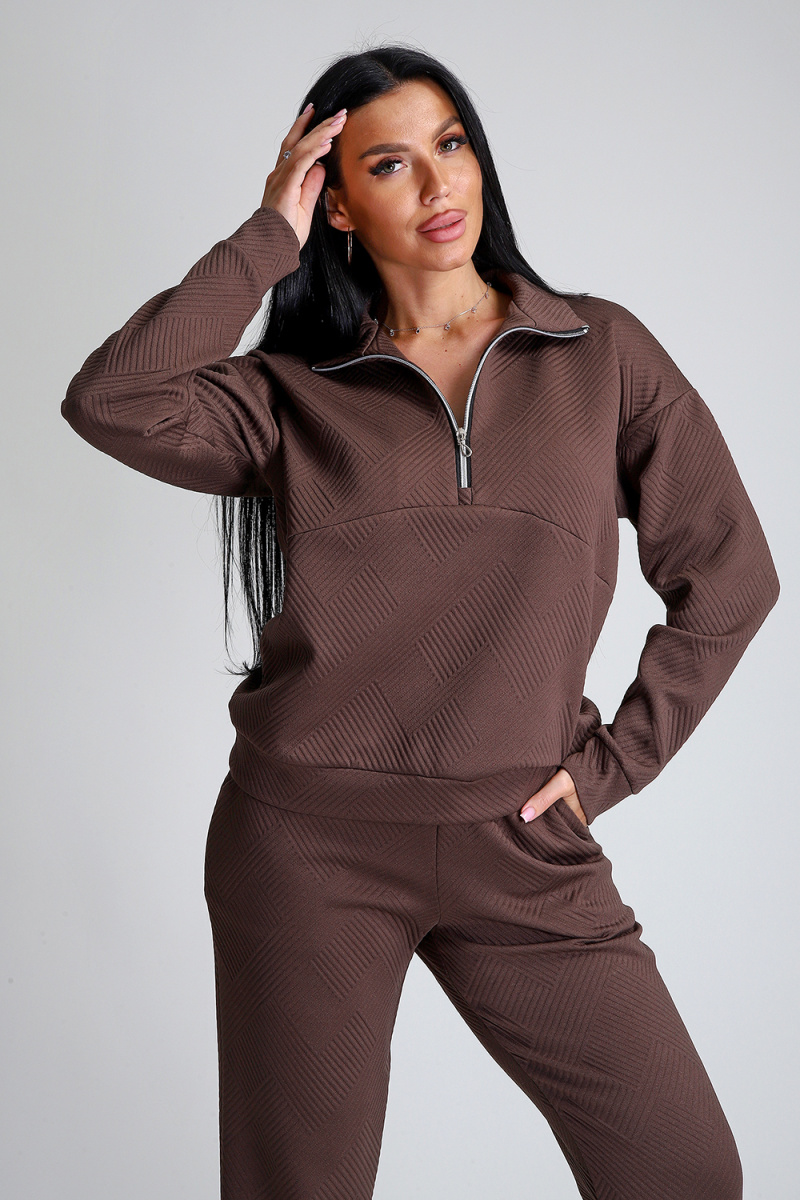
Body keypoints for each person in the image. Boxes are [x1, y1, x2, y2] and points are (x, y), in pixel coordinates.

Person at [61, 43, 779, 1200]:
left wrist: (612, 767)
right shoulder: (290, 393)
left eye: (450, 144)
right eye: (389, 163)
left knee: (681, 1171)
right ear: (338, 202)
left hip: (523, 842)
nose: (438, 182)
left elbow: (730, 575)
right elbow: (112, 399)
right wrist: (265, 238)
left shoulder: (599, 354)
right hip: (306, 847)